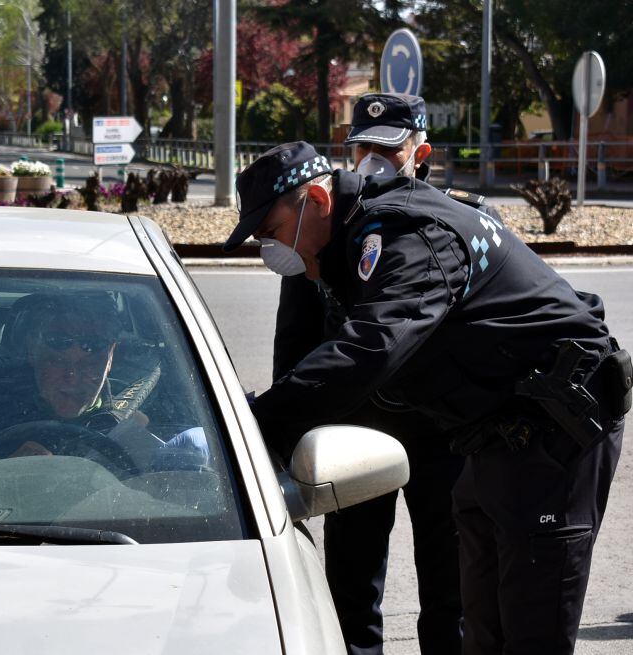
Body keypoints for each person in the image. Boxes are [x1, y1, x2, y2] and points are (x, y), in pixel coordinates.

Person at [225, 140, 629, 655]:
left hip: (557, 433)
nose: (270, 251)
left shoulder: (403, 233)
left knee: (532, 630)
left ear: (318, 204)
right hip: (493, 436)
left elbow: (372, 347)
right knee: (482, 629)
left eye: (272, 233)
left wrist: (257, 423)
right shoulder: (358, 233)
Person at [274, 93, 462, 655]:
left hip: (442, 432)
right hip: (354, 433)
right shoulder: (325, 229)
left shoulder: (449, 218)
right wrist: (288, 434)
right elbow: (296, 346)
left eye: (388, 150)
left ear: (420, 152)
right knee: (351, 591)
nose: (370, 161)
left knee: (451, 590)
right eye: (362, 148)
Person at [0, 294, 206, 471]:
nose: (72, 377)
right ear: (32, 353)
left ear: (111, 358)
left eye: (88, 364)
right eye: (57, 361)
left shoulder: (151, 404)